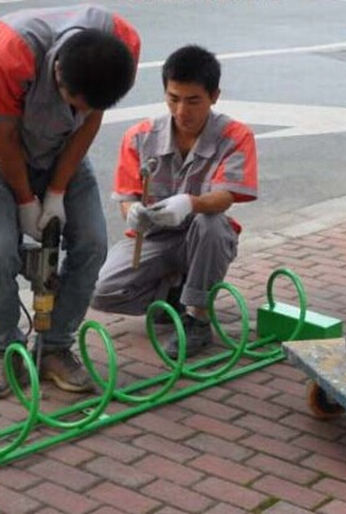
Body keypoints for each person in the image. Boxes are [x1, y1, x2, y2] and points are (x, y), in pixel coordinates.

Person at [0, 5, 140, 398]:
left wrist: (57, 191)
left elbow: (90, 119)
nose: (78, 110)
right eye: (72, 101)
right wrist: (27, 202)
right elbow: (3, 137)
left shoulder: (121, 45)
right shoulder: (8, 53)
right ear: (57, 72)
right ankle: (3, 349)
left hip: (64, 144)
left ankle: (54, 347)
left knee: (93, 243)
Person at [91, 45, 258, 358]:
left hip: (204, 235)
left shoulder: (236, 136)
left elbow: (226, 196)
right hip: (154, 238)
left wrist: (190, 204)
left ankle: (197, 318)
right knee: (102, 291)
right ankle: (173, 294)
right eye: (174, 98)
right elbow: (127, 195)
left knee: (212, 225)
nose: (182, 111)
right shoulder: (140, 136)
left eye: (194, 100)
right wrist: (133, 212)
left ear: (214, 96)